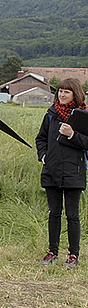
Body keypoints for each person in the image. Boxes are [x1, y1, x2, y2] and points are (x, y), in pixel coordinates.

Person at [35, 77, 88, 268]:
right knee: (54, 213)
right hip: (52, 171)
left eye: (67, 92)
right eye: (60, 91)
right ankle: (52, 251)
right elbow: (40, 138)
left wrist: (72, 135)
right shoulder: (51, 114)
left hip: (74, 171)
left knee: (72, 215)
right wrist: (44, 156)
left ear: (75, 93)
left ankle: (73, 255)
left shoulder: (82, 115)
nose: (62, 95)